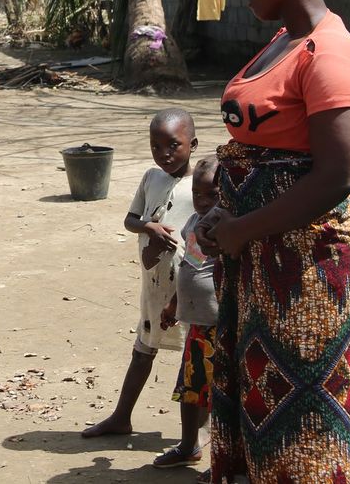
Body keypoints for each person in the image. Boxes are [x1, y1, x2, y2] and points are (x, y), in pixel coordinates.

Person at [196, 0, 350, 483]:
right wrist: (222, 194)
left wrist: (245, 228)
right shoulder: (281, 43)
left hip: (307, 269)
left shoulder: (331, 53)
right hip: (261, 265)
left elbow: (334, 175)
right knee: (261, 406)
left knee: (307, 424)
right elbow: (259, 141)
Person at [83, 108, 198, 438]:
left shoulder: (202, 185)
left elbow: (204, 240)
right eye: (155, 146)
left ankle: (196, 434)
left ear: (192, 143)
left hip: (187, 289)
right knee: (144, 347)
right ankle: (122, 417)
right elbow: (130, 220)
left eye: (173, 145)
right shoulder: (152, 178)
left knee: (195, 359)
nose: (164, 154)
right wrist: (148, 225)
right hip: (154, 285)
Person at [155, 157, 220, 475]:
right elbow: (190, 266)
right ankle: (188, 445)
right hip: (197, 323)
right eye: (198, 194)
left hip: (219, 326)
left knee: (220, 394)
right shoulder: (195, 223)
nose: (203, 202)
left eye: (212, 195)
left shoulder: (228, 227)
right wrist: (172, 304)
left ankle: (223, 458)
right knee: (191, 390)